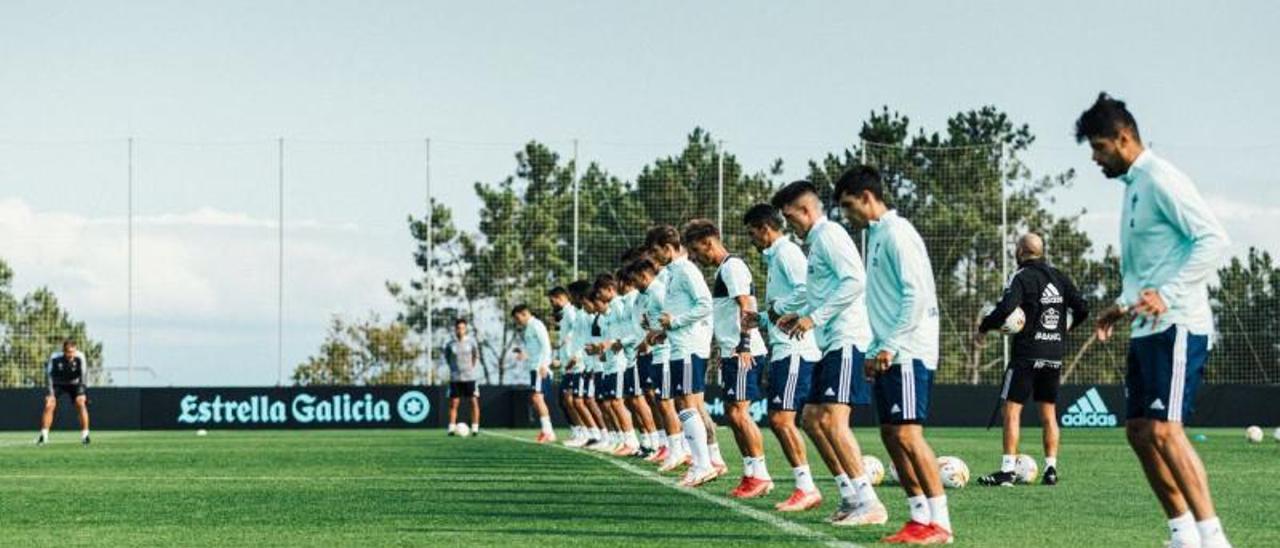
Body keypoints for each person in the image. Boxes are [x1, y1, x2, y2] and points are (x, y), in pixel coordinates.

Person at [1077, 92, 1231, 548]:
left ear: (1124, 138)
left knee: (1165, 430)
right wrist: (1121, 307)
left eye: (1099, 147)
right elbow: (1148, 268)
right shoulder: (1133, 190)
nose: (1094, 157)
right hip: (1146, 328)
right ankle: (1183, 535)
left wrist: (1168, 294)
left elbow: (1213, 240)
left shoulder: (1161, 179)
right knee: (1140, 432)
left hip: (1178, 323)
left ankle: (1214, 539)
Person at [837, 165, 953, 544]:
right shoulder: (877, 235)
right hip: (888, 350)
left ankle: (941, 523)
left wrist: (890, 345)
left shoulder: (898, 234)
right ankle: (919, 516)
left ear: (868, 198)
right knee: (890, 434)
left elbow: (915, 295)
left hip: (908, 352)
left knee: (907, 434)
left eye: (849, 205)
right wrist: (875, 348)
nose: (847, 215)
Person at [770, 181, 886, 526]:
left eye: (790, 219)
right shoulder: (817, 243)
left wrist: (813, 318)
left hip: (847, 339)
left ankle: (870, 503)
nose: (790, 226)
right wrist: (796, 312)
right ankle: (851, 496)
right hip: (829, 343)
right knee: (810, 418)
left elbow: (854, 281)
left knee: (833, 420)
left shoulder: (829, 234)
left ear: (805, 211)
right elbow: (822, 290)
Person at [976, 233, 1088, 487]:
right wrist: (1065, 328)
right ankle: (1050, 469)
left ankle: (1007, 471)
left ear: (1021, 251)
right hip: (1053, 354)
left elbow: (1006, 308)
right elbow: (1082, 307)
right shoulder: (1058, 276)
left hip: (1027, 353)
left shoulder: (1021, 276)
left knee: (1012, 410)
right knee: (1048, 413)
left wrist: (984, 327)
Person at [684, 219, 773, 499]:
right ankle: (751, 474)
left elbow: (747, 305)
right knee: (733, 414)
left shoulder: (732, 267)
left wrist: (744, 345)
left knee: (738, 413)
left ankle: (760, 475)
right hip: (732, 352)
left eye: (697, 250)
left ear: (709, 242)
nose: (697, 257)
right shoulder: (724, 269)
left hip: (744, 352)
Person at [744, 203, 824, 512]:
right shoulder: (776, 256)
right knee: (789, 420)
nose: (751, 239)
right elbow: (783, 306)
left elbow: (808, 291)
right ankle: (814, 486)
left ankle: (807, 488)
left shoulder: (786, 253)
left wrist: (775, 309)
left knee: (781, 419)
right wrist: (762, 319)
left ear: (765, 228)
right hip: (783, 348)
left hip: (795, 349)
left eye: (752, 233)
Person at [645, 224, 727, 487]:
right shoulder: (672, 273)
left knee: (688, 404)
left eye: (657, 252)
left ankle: (702, 465)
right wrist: (663, 332)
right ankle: (707, 461)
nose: (655, 259)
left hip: (691, 347)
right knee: (687, 404)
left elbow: (705, 304)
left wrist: (676, 321)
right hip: (679, 346)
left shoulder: (687, 271)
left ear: (668, 248)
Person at [622, 257, 688, 470]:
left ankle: (677, 450)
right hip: (656, 354)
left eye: (635, 280)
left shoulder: (658, 292)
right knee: (661, 401)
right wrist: (648, 329)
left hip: (665, 354)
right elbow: (656, 324)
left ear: (644, 276)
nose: (634, 285)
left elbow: (672, 321)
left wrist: (651, 336)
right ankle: (669, 447)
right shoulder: (648, 295)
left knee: (667, 403)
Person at [548, 286, 593, 447]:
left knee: (574, 399)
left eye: (552, 301)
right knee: (566, 399)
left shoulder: (573, 313)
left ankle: (587, 432)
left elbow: (579, 337)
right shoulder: (568, 314)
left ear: (561, 297)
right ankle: (579, 432)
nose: (552, 304)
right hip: (569, 364)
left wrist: (577, 356)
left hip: (578, 364)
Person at [512, 304, 556, 444]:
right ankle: (547, 430)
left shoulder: (537, 325)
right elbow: (534, 349)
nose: (517, 321)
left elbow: (546, 346)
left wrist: (544, 365)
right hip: (533, 368)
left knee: (537, 398)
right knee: (536, 398)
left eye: (517, 318)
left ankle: (548, 431)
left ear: (524, 313)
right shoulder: (528, 329)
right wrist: (524, 354)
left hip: (539, 368)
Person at [38, 339, 91, 446]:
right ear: (64, 351)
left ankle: (85, 435)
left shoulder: (80, 357)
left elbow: (83, 376)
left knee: (80, 403)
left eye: (73, 352)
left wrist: (82, 393)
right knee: (49, 404)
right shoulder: (55, 357)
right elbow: (49, 376)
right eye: (68, 352)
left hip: (75, 384)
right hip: (58, 383)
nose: (71, 354)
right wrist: (51, 394)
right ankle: (44, 436)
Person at [444, 319, 481, 437]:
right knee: (453, 403)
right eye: (458, 328)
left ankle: (475, 428)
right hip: (455, 378)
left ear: (466, 329)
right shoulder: (450, 344)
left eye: (462, 328)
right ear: (455, 329)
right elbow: (447, 358)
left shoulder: (471, 343)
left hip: (470, 377)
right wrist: (455, 370)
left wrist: (470, 368)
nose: (460, 330)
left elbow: (475, 357)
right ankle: (451, 428)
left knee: (473, 402)